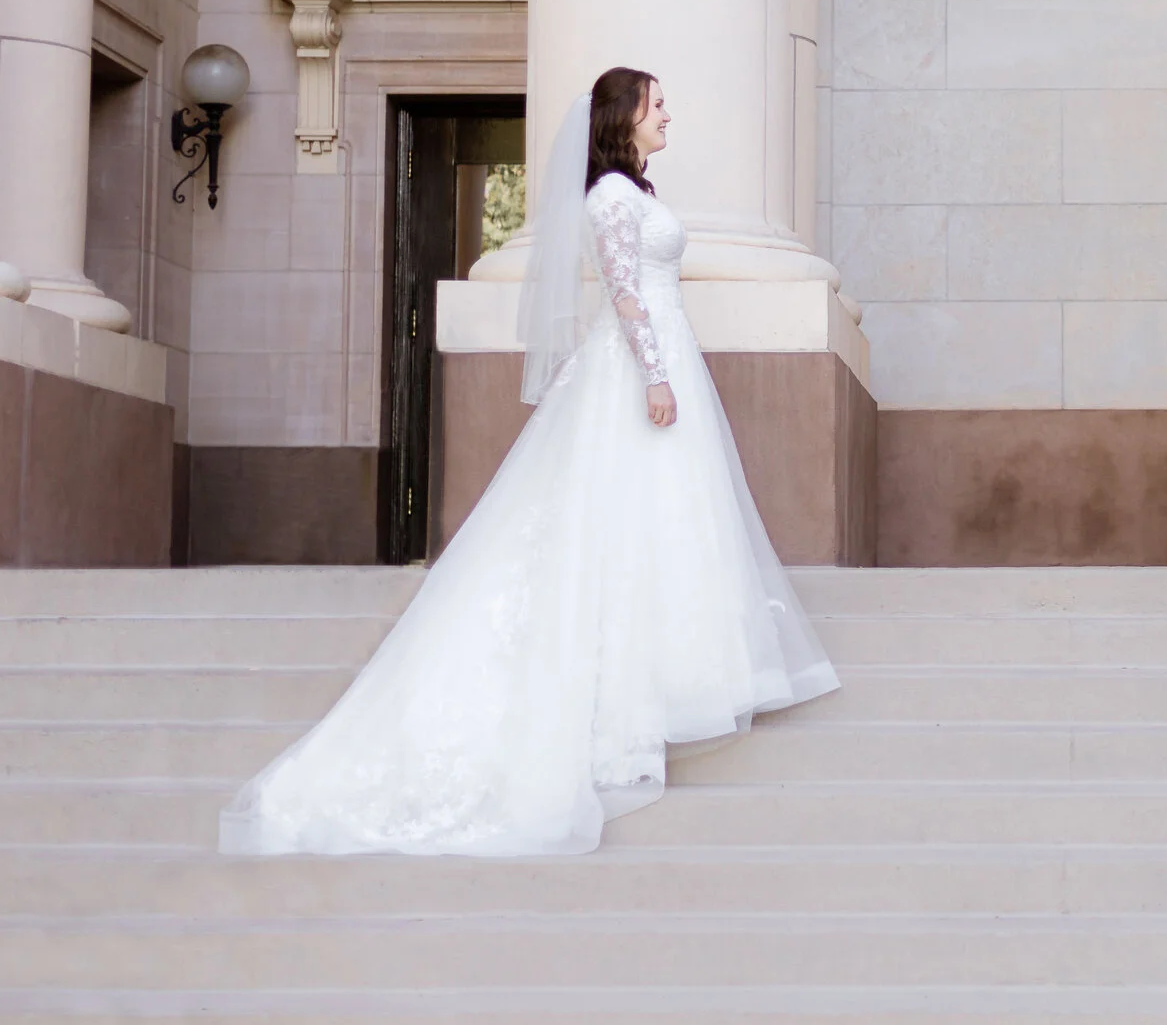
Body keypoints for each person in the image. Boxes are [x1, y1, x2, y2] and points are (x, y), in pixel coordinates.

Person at [221, 68, 838, 855]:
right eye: (657, 105)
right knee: (623, 512)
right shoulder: (611, 199)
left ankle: (670, 675)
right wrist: (654, 371)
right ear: (626, 118)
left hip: (667, 356)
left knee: (668, 515)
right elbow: (623, 289)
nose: (668, 115)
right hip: (640, 363)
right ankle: (624, 696)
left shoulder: (638, 194)